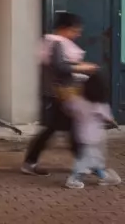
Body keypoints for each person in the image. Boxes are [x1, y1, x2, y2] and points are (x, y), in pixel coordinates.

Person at [21, 12, 98, 176]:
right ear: (64, 28)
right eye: (75, 30)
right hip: (59, 93)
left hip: (60, 93)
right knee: (63, 129)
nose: (78, 34)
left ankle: (32, 161)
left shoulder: (53, 42)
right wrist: (82, 67)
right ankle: (83, 163)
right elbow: (60, 67)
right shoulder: (56, 43)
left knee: (65, 128)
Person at [64, 72, 121, 189]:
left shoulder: (77, 101)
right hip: (95, 138)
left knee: (93, 159)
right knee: (86, 160)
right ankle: (74, 178)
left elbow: (67, 107)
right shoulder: (101, 106)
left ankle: (103, 175)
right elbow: (109, 119)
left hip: (81, 135)